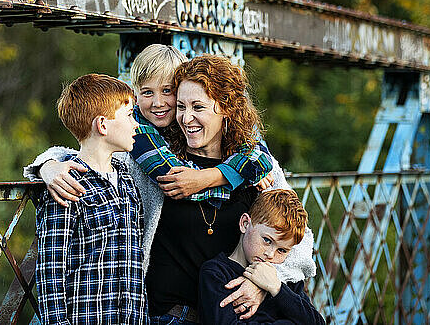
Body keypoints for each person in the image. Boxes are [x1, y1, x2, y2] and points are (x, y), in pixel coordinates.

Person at [24, 49, 307, 323]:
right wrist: (47, 166)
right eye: (181, 106)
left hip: (230, 315)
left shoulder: (255, 166)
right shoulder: (151, 158)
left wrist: (266, 284)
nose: (186, 117)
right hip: (167, 316)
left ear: (226, 111)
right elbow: (91, 151)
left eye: (198, 107)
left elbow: (300, 244)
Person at [35, 73, 146, 324]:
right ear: (103, 125)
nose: (135, 125)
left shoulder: (127, 180)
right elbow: (51, 273)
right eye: (129, 116)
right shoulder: (67, 184)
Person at [198, 189, 325, 324]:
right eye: (267, 240)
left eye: (281, 250)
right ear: (245, 223)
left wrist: (277, 288)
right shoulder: (215, 273)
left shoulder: (286, 279)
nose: (270, 254)